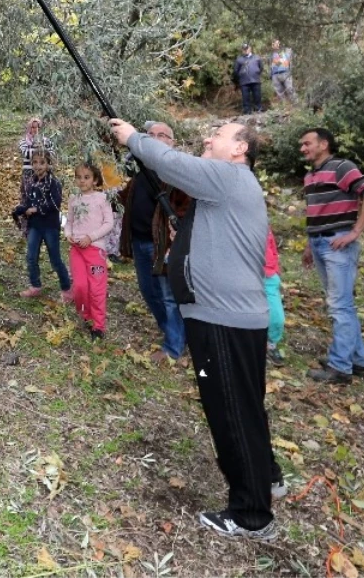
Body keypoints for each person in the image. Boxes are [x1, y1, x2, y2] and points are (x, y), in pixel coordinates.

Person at [110, 118, 282, 541]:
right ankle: (268, 476)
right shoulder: (229, 188)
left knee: (231, 412)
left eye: (219, 134)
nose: (208, 138)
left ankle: (251, 513)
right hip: (232, 317)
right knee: (246, 405)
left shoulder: (229, 176)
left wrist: (133, 138)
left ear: (240, 148)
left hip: (222, 320)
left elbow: (168, 162)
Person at [299, 128, 364, 384]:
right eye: (301, 145)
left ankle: (340, 367)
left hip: (337, 244)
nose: (303, 148)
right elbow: (316, 213)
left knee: (340, 306)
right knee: (342, 304)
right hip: (319, 243)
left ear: (324, 144)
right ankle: (356, 362)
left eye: (307, 143)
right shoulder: (310, 176)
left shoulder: (341, 167)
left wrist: (355, 231)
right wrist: (308, 245)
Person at [117, 121, 189, 363]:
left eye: (162, 135)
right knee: (149, 292)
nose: (156, 139)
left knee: (169, 296)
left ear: (172, 143)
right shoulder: (141, 173)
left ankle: (174, 348)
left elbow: (185, 209)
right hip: (138, 243)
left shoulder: (177, 174)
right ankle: (172, 330)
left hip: (163, 247)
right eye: (150, 135)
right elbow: (122, 198)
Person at [65, 161, 116, 339]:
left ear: (95, 180)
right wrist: (68, 234)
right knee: (80, 286)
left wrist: (91, 237)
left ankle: (98, 325)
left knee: (96, 287)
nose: (82, 181)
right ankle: (85, 314)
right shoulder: (74, 198)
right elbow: (69, 221)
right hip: (77, 250)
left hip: (95, 252)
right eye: (78, 177)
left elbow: (109, 223)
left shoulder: (102, 199)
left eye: (86, 177)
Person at [13, 151, 73, 300]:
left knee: (55, 259)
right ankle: (35, 286)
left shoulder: (53, 182)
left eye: (42, 162)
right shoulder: (31, 182)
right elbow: (27, 201)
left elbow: (55, 203)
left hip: (50, 226)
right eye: (35, 162)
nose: (38, 166)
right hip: (35, 226)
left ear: (48, 164)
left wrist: (37, 209)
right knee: (31, 257)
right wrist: (21, 209)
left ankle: (67, 289)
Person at [17, 116, 55, 203]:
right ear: (29, 128)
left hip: (45, 172)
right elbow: (26, 153)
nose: (36, 129)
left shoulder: (47, 141)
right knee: (26, 194)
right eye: (33, 127)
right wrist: (41, 150)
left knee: (45, 195)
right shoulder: (24, 141)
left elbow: (52, 154)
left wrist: (41, 151)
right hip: (29, 172)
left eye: (38, 127)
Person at [264, 229, 286, 366]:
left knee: (276, 317)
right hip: (245, 271)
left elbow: (271, 245)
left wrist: (275, 268)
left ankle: (270, 345)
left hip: (268, 273)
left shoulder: (263, 220)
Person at [232, 43, 263, 114]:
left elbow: (261, 68)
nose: (245, 50)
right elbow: (235, 71)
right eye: (244, 49)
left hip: (255, 80)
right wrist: (240, 78)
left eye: (247, 49)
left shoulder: (257, 57)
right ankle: (247, 111)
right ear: (242, 50)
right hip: (244, 82)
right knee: (245, 98)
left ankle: (258, 109)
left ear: (250, 48)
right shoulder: (239, 59)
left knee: (257, 96)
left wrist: (256, 73)